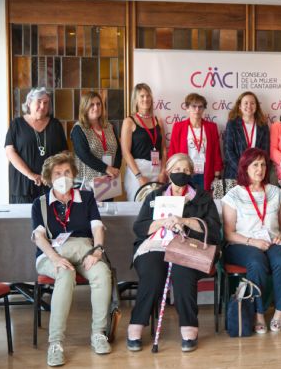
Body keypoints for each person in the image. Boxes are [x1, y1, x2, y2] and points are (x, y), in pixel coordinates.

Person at [127, 153, 221, 352]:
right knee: (153, 271)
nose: (182, 173)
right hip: (157, 245)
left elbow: (213, 231)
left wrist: (185, 221)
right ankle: (137, 323)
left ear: (192, 173)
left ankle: (189, 326)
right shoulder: (154, 196)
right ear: (168, 172)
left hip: (190, 247)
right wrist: (164, 221)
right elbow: (139, 227)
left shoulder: (203, 198)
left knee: (182, 270)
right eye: (177, 170)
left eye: (186, 170)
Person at [30, 151, 112, 366]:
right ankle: (55, 342)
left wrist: (98, 250)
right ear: (48, 177)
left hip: (84, 252)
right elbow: (39, 237)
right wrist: (56, 259)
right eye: (57, 173)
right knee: (65, 274)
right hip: (51, 255)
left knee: (102, 273)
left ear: (74, 173)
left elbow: (97, 227)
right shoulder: (39, 203)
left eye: (67, 171)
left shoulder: (86, 197)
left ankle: (98, 333)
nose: (63, 176)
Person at [222, 148, 281, 333]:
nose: (260, 169)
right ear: (245, 167)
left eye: (263, 165)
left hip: (270, 242)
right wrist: (252, 242)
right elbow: (228, 233)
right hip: (241, 244)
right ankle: (258, 313)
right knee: (256, 260)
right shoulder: (233, 195)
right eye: (255, 165)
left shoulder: (276, 192)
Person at [5, 87, 67, 203]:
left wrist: (51, 173)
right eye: (39, 102)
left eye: (46, 103)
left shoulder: (56, 125)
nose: (43, 106)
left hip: (50, 184)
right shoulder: (16, 124)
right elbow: (10, 152)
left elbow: (64, 153)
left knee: (50, 219)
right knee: (22, 220)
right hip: (23, 186)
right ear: (29, 103)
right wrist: (31, 175)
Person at [167, 93, 223, 191]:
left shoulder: (211, 127)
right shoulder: (178, 127)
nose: (197, 110)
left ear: (204, 109)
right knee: (186, 202)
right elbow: (173, 152)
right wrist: (172, 174)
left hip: (205, 174)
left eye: (200, 107)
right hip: (184, 173)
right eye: (194, 106)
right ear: (187, 108)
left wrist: (217, 176)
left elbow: (216, 152)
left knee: (203, 203)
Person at [120, 83, 166, 201]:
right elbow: (126, 152)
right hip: (138, 171)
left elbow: (164, 149)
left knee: (158, 208)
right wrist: (139, 176)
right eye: (142, 96)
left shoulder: (158, 121)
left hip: (157, 170)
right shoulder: (129, 121)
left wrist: (163, 171)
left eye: (148, 96)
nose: (146, 99)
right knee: (138, 208)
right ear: (135, 100)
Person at [70, 91, 122, 195]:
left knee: (107, 210)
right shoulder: (78, 129)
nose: (96, 108)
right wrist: (106, 168)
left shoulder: (109, 126)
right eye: (91, 105)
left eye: (98, 104)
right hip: (87, 184)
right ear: (84, 107)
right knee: (90, 211)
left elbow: (119, 151)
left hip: (108, 181)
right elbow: (84, 155)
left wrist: (115, 170)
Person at [222, 91, 270, 194]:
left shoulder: (263, 125)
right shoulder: (232, 124)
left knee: (255, 206)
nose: (249, 106)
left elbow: (265, 152)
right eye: (246, 103)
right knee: (235, 206)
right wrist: (243, 169)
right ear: (239, 106)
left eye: (252, 103)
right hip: (235, 174)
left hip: (257, 175)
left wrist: (255, 170)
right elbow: (228, 151)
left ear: (256, 106)